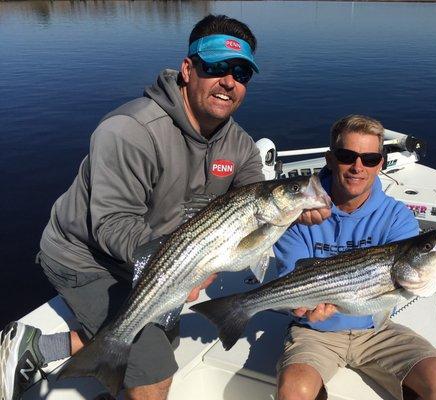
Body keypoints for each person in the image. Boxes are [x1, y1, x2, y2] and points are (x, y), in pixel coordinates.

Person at [0, 14, 265, 400]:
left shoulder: (238, 143)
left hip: (159, 256)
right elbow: (112, 222)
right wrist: (183, 263)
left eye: (241, 72)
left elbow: (255, 198)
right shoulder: (130, 130)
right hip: (84, 256)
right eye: (216, 68)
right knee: (155, 373)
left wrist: (296, 212)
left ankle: (38, 347)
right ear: (188, 70)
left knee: (163, 339)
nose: (229, 81)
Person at [273, 115, 436, 400]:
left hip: (376, 330)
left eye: (369, 159)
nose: (358, 167)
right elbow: (289, 279)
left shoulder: (397, 217)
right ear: (330, 160)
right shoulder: (297, 214)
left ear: (380, 164)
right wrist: (301, 309)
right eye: (347, 156)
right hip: (315, 331)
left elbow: (414, 267)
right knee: (294, 391)